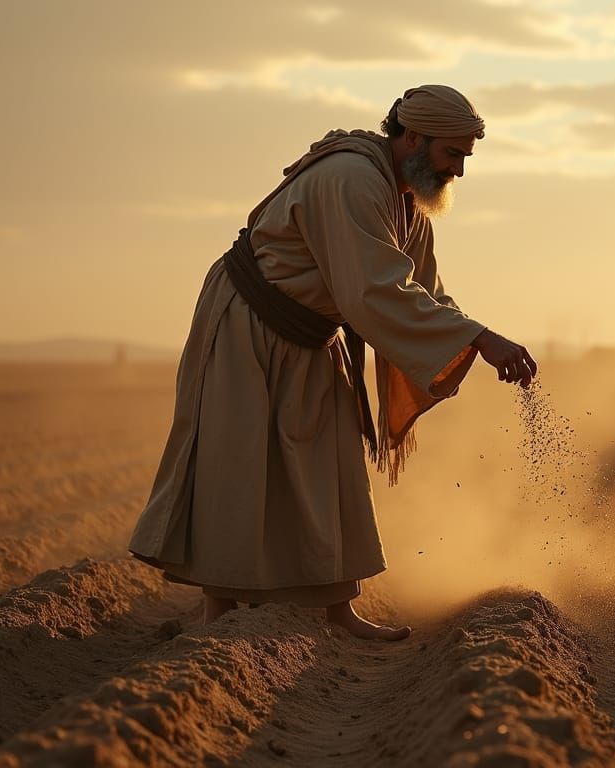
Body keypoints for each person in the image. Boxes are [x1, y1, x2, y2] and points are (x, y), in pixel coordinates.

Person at [128, 85, 537, 641]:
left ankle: (338, 612)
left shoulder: (406, 204)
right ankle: (216, 616)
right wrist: (480, 339)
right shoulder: (351, 179)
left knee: (332, 464)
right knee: (235, 462)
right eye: (452, 155)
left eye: (464, 157)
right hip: (248, 322)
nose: (459, 171)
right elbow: (373, 290)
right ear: (413, 138)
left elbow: (424, 290)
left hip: (313, 335)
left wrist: (480, 338)